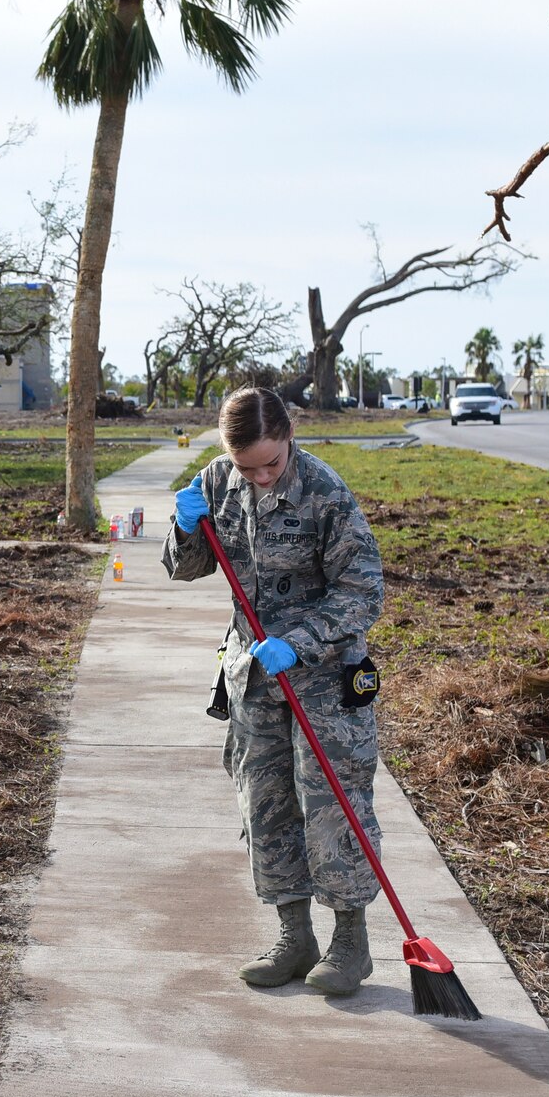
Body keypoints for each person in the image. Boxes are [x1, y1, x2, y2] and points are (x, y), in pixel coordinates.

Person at [164, 386, 386, 997]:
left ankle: (350, 942)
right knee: (265, 803)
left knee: (332, 805)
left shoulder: (325, 492)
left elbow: (364, 590)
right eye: (247, 467)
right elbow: (187, 568)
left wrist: (304, 639)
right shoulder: (215, 482)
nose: (261, 477)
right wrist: (185, 532)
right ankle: (295, 936)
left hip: (324, 679)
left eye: (272, 463)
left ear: (290, 438)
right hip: (254, 675)